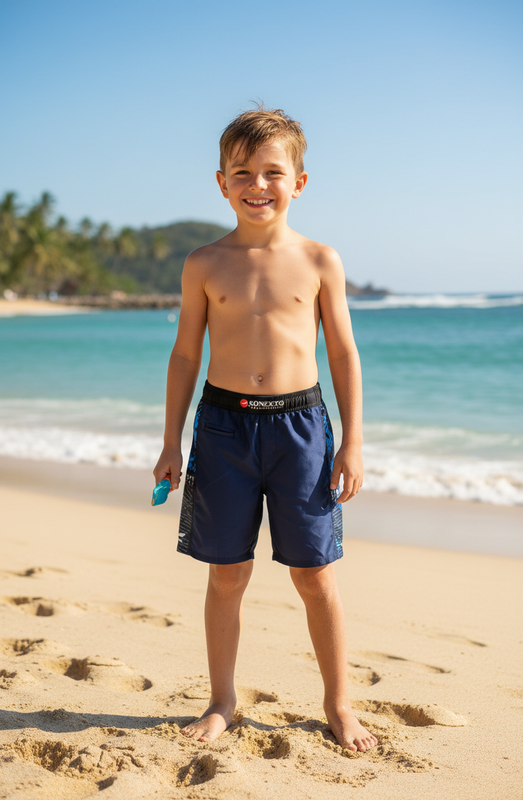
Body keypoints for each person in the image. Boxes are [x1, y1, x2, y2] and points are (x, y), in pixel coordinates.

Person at [153, 107, 377, 753]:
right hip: (222, 429)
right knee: (226, 572)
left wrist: (352, 442)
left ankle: (338, 704)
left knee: (314, 574)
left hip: (302, 430)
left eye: (272, 172)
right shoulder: (203, 263)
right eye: (243, 172)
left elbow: (342, 354)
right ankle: (222, 701)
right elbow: (185, 356)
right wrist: (172, 441)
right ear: (221, 182)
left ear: (299, 181)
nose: (259, 184)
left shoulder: (318, 259)